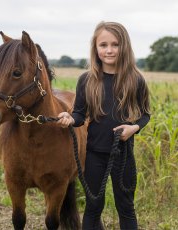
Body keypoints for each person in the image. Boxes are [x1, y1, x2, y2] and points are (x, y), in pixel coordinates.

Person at [57, 21, 150, 230]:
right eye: (103, 45)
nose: (109, 50)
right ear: (95, 48)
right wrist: (70, 118)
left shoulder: (135, 80)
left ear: (124, 46)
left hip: (124, 154)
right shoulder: (87, 80)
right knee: (93, 207)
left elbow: (145, 115)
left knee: (126, 206)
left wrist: (133, 128)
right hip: (94, 154)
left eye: (115, 44)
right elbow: (79, 114)